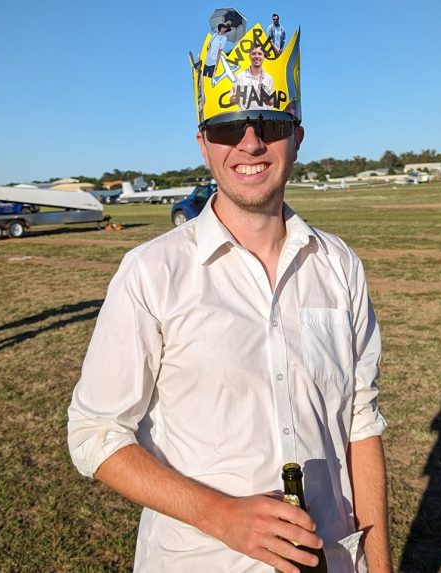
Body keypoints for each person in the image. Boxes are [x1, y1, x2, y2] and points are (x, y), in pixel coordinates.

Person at [68, 13, 391, 573]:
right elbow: (94, 433)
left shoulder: (339, 265)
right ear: (203, 144)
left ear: (297, 136)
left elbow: (360, 425)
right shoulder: (152, 271)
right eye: (227, 128)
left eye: (270, 123)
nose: (250, 143)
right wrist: (220, 515)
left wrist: (379, 566)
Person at [230, 44, 274, 110]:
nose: (256, 56)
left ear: (264, 57)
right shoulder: (240, 76)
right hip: (244, 115)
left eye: (259, 54)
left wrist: (265, 97)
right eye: (253, 54)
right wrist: (233, 99)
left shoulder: (268, 78)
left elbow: (271, 102)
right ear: (249, 56)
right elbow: (232, 100)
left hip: (262, 115)